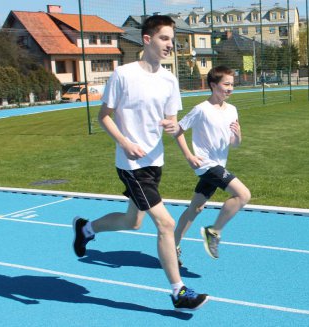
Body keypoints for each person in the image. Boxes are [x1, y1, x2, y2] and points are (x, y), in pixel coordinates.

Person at [71, 15, 207, 312]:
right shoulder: (123, 75)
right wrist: (125, 142)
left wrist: (182, 144)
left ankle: (86, 229)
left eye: (173, 39)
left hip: (154, 162)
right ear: (147, 40)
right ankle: (178, 291)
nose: (171, 44)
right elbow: (104, 116)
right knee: (166, 224)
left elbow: (172, 124)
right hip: (131, 164)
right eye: (165, 38)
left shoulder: (170, 80)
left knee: (133, 221)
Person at [169, 65, 251, 263]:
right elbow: (177, 130)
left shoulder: (232, 110)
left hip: (219, 164)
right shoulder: (201, 110)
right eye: (226, 84)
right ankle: (214, 231)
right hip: (206, 165)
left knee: (195, 209)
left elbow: (235, 144)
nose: (230, 88)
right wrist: (189, 156)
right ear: (213, 85)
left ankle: (171, 246)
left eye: (232, 84)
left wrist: (238, 135)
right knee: (243, 194)